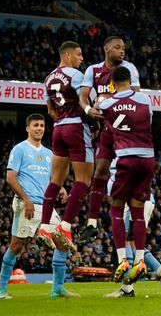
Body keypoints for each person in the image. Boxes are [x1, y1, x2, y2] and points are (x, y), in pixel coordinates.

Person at [0, 114, 79, 300]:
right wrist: (26, 199)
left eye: (41, 125)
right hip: (27, 204)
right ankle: (1, 290)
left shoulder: (49, 154)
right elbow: (10, 178)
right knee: (16, 246)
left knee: (62, 243)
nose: (39, 128)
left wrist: (61, 188)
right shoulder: (19, 149)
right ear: (28, 128)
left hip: (46, 206)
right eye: (35, 125)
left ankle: (57, 288)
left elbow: (52, 179)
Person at [97, 67, 157, 286]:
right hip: (148, 158)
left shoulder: (107, 103)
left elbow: (95, 114)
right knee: (138, 210)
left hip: (125, 157)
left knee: (116, 207)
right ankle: (140, 260)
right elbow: (148, 120)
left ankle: (123, 259)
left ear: (113, 83)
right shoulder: (144, 99)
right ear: (131, 80)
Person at [78, 36, 141, 244]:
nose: (122, 51)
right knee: (100, 171)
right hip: (106, 129)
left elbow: (136, 97)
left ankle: (132, 218)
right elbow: (83, 96)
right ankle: (92, 223)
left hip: (125, 130)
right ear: (106, 49)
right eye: (117, 47)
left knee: (129, 172)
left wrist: (108, 101)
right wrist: (89, 110)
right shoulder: (93, 71)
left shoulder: (129, 68)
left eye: (123, 47)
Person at [37, 41, 94, 253]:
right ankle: (66, 226)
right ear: (68, 55)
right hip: (76, 127)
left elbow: (50, 110)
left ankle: (44, 227)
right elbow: (86, 102)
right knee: (83, 179)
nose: (81, 59)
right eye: (79, 55)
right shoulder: (76, 76)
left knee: (56, 180)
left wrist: (62, 117)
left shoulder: (49, 77)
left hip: (58, 129)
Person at [103, 193, 161, 298]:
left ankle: (127, 289)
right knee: (134, 243)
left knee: (123, 239)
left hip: (131, 200)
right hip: (147, 199)